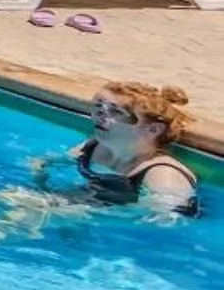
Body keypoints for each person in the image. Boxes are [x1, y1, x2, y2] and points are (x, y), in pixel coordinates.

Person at [73, 81, 199, 216]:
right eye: (98, 108)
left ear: (153, 129)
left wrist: (78, 211)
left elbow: (169, 222)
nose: (99, 117)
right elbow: (54, 164)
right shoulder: (91, 148)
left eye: (116, 112)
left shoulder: (162, 176)